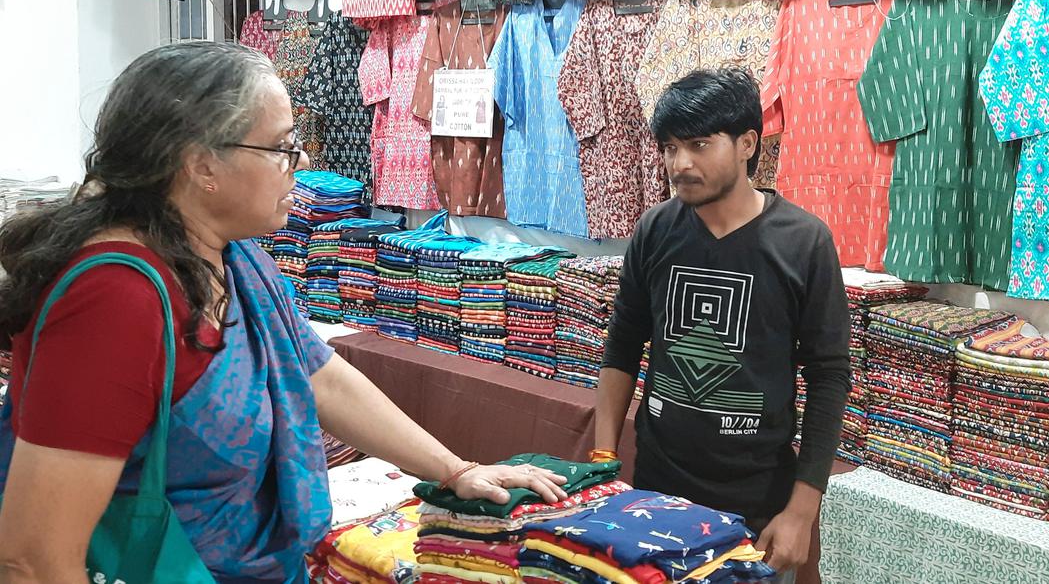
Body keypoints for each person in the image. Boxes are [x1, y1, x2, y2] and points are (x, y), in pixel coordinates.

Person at [0, 43, 568, 583]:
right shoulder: (115, 300)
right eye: (281, 147)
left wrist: (456, 470)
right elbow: (34, 557)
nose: (299, 163)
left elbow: (317, 374)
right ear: (201, 166)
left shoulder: (231, 255)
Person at [594, 68, 851, 584]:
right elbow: (622, 345)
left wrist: (801, 513)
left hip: (756, 508)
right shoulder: (655, 230)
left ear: (747, 144)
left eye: (698, 144)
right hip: (656, 493)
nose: (679, 164)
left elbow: (829, 378)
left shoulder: (803, 243)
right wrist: (602, 461)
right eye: (669, 147)